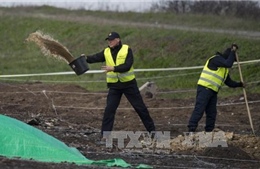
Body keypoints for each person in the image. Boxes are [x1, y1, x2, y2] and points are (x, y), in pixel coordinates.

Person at [85, 31, 156, 139]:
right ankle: (105, 135)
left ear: (118, 40)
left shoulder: (127, 49)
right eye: (108, 40)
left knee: (140, 108)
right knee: (109, 110)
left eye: (112, 40)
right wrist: (84, 58)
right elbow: (94, 58)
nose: (110, 42)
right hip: (114, 87)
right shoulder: (106, 51)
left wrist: (113, 68)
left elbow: (127, 66)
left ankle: (153, 132)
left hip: (129, 85)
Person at [187, 44, 244, 132]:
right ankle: (191, 129)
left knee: (212, 113)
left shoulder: (224, 70)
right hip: (204, 88)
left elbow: (229, 83)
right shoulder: (216, 59)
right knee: (200, 109)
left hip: (213, 92)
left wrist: (240, 84)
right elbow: (228, 63)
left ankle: (209, 131)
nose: (232, 63)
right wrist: (233, 51)